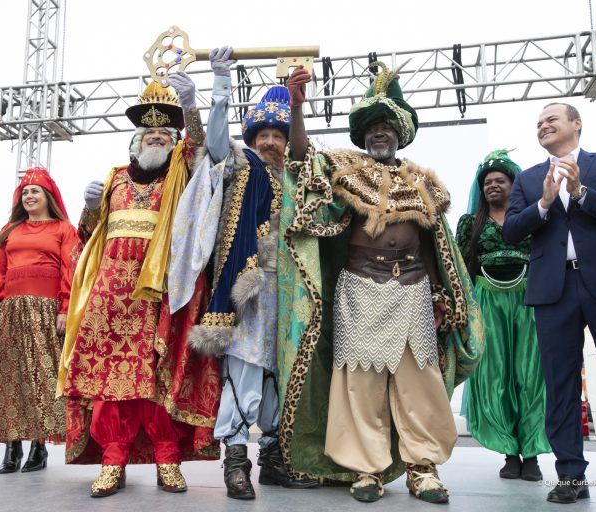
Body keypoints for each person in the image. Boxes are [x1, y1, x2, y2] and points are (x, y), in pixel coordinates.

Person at [278, 63, 483, 504]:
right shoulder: (344, 171)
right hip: (358, 289)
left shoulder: (424, 184)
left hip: (411, 289)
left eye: (387, 128)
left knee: (419, 382)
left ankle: (422, 468)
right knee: (359, 384)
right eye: (372, 129)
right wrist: (297, 108)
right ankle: (366, 470)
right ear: (362, 137)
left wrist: (436, 292)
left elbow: (433, 244)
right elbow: (300, 161)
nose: (379, 134)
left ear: (401, 134)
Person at [57, 74, 221, 498]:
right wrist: (90, 207)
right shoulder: (113, 178)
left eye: (164, 133)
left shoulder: (182, 174)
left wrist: (190, 105)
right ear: (135, 141)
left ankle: (168, 458)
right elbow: (89, 234)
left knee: (157, 380)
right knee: (113, 383)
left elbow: (201, 148)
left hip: (162, 291)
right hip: (111, 293)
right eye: (148, 133)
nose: (155, 138)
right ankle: (114, 460)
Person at [170, 47, 318, 500]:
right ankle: (236, 464)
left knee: (280, 373)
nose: (271, 141)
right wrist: (217, 87)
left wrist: (296, 108)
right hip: (246, 289)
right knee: (243, 375)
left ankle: (273, 459)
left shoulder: (297, 176)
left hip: (289, 292)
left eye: (277, 134)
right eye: (264, 135)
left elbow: (306, 155)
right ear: (252, 139)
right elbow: (214, 143)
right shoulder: (241, 164)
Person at [503, 103, 596, 511]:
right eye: (538, 123)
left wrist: (582, 193)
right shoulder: (530, 178)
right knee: (560, 387)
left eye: (552, 119)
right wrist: (544, 203)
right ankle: (570, 475)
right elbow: (511, 230)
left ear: (576, 124)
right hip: (553, 291)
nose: (544, 125)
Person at [456, 150, 551, 481]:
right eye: (487, 183)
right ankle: (510, 452)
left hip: (529, 299)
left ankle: (534, 453)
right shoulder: (471, 222)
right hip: (487, 301)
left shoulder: (532, 216)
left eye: (500, 181)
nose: (492, 186)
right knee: (496, 376)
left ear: (515, 184)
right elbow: (460, 267)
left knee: (531, 375)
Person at [0, 167, 78, 474]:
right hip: (10, 309)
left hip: (47, 309)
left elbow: (71, 270)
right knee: (11, 376)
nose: (29, 196)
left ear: (48, 196)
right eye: (24, 192)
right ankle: (12, 446)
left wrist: (65, 308)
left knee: (42, 377)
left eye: (35, 191)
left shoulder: (63, 229)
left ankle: (39, 445)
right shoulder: (9, 230)